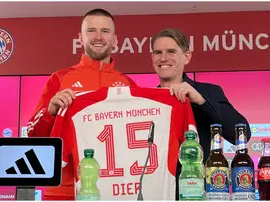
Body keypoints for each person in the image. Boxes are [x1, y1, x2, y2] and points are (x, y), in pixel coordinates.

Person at [27, 8, 137, 200]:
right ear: (80, 37)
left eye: (105, 31)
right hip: (64, 191)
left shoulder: (128, 85)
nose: (98, 36)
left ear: (115, 39)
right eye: (91, 30)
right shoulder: (60, 78)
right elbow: (33, 136)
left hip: (117, 191)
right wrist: (51, 111)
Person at [150, 28, 252, 199]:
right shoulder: (147, 102)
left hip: (201, 193)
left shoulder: (208, 92)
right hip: (157, 194)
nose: (163, 58)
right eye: (157, 52)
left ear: (187, 56)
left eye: (171, 51)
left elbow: (241, 133)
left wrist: (200, 100)